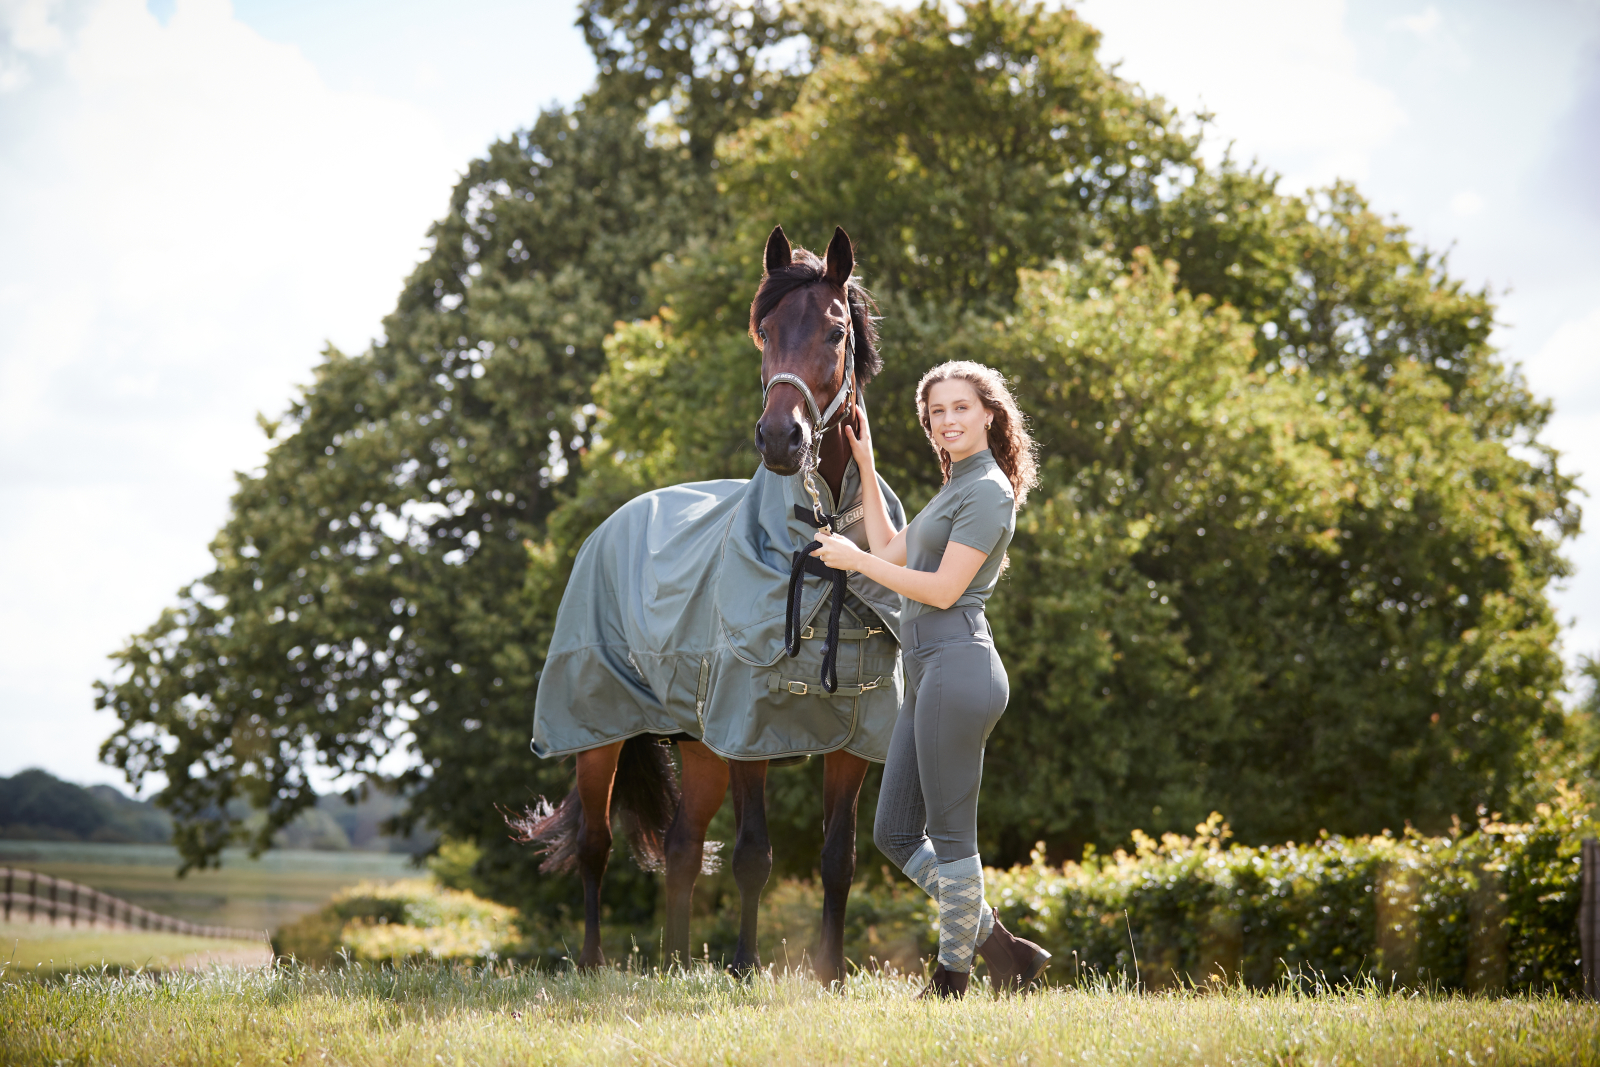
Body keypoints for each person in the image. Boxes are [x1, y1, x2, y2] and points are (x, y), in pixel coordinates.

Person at [810, 360, 1050, 997]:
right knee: (893, 832)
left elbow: (942, 589)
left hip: (958, 666)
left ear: (990, 415)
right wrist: (867, 467)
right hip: (927, 672)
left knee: (951, 836)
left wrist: (853, 560)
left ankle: (952, 978)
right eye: (936, 412)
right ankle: (1007, 952)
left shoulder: (988, 490)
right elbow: (891, 551)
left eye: (960, 408)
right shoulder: (954, 488)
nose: (948, 420)